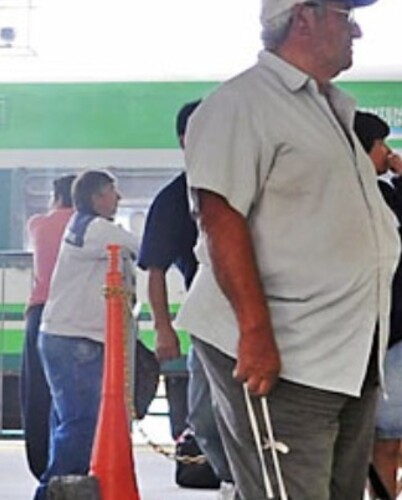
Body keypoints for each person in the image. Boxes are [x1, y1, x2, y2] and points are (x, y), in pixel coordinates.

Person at [175, 1, 399, 498]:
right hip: (286, 360)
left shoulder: (330, 109)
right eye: (345, 15)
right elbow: (219, 216)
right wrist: (254, 334)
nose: (357, 29)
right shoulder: (242, 105)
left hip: (344, 357)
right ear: (303, 18)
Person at [138, 100, 233, 495]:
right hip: (211, 324)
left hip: (272, 315)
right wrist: (163, 329)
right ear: (185, 140)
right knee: (206, 417)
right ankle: (231, 480)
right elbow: (155, 268)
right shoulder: (174, 198)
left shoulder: (246, 182)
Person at [33, 170, 139, 500]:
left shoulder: (83, 226)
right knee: (81, 424)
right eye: (112, 192)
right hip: (74, 339)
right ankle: (53, 493)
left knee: (70, 423)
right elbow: (144, 247)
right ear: (95, 198)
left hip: (67, 337)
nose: (118, 198)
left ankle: (62, 489)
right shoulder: (94, 228)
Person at [354, 111, 402, 497]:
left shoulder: (384, 193)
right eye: (381, 145)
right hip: (378, 337)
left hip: (392, 331)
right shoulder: (345, 196)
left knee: (390, 440)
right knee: (385, 440)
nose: (388, 152)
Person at [20, 174, 75, 481]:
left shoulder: (38, 224)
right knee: (74, 396)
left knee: (37, 394)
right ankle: (69, 463)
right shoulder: (91, 228)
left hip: (39, 314)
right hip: (74, 316)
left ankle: (41, 466)